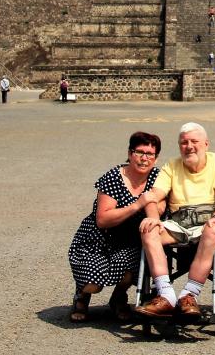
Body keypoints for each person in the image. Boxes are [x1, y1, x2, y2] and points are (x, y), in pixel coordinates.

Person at [135, 123, 215, 319]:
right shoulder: (171, 166)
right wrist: (153, 219)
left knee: (214, 230)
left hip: (207, 221)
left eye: (194, 142)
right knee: (148, 230)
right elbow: (154, 195)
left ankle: (189, 295)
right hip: (178, 222)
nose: (189, 146)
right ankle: (166, 295)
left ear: (206, 144)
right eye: (184, 142)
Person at [67, 131, 164, 323]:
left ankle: (118, 298)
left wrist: (155, 209)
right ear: (129, 153)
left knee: (131, 270)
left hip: (130, 240)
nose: (144, 158)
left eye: (150, 154)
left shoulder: (157, 177)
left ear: (156, 157)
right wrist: (137, 204)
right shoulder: (113, 177)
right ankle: (82, 295)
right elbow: (102, 219)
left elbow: (161, 206)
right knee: (93, 284)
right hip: (99, 238)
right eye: (139, 152)